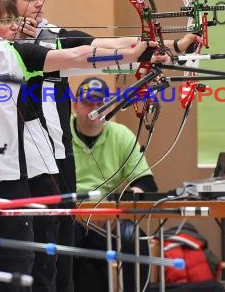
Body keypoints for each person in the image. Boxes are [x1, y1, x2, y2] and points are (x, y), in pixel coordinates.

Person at [0, 0, 165, 292]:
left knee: (17, 273)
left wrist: (135, 54)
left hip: (10, 184)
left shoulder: (16, 54)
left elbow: (80, 55)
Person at [0, 0, 195, 292]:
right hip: (17, 166)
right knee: (26, 255)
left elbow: (99, 46)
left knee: (59, 257)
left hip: (57, 161)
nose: (39, 4)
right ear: (10, 5)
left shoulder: (52, 38)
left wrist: (169, 45)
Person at [71, 77, 158, 292]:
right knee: (57, 241)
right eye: (87, 104)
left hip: (109, 218)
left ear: (109, 106)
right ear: (74, 106)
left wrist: (115, 209)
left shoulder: (121, 135)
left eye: (99, 105)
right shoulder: (59, 134)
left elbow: (146, 183)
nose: (94, 110)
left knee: (135, 240)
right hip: (71, 217)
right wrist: (81, 213)